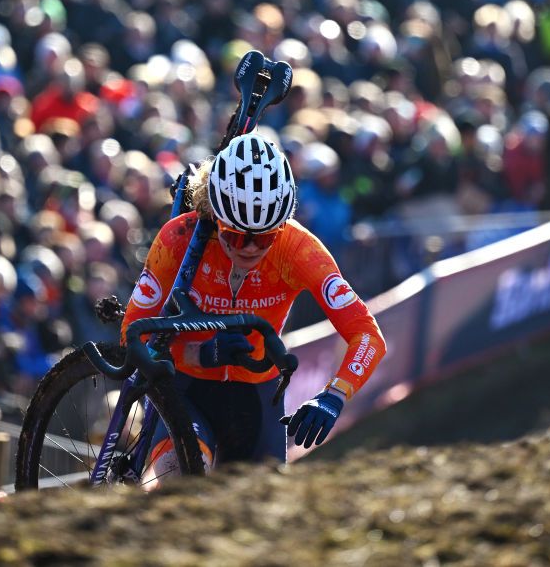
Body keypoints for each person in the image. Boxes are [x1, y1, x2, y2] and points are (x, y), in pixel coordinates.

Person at [120, 133, 387, 481]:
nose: (248, 248)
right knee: (175, 484)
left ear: (280, 227)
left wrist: (334, 395)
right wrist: (200, 355)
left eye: (262, 238)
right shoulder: (179, 238)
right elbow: (130, 334)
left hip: (258, 396)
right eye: (234, 236)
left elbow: (367, 335)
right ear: (215, 216)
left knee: (260, 516)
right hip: (184, 387)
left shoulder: (299, 249)